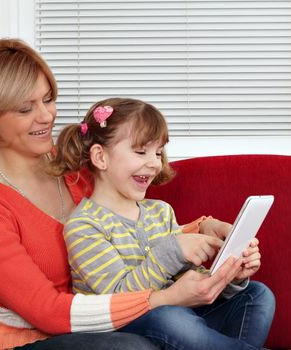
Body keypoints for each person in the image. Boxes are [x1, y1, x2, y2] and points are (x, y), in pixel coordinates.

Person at [0, 38, 258, 350]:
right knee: (133, 345)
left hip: (105, 324)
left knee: (253, 296)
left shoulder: (72, 165)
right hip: (35, 339)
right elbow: (46, 312)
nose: (46, 116)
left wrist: (205, 231)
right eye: (26, 108)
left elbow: (127, 229)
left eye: (48, 99)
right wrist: (162, 298)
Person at [50, 97, 276, 349]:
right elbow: (118, 295)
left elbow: (187, 283)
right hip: (130, 326)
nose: (155, 162)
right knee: (170, 318)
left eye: (158, 152)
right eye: (140, 151)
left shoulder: (160, 212)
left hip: (182, 317)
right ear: (100, 157)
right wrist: (173, 251)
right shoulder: (84, 225)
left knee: (257, 295)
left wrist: (230, 274)